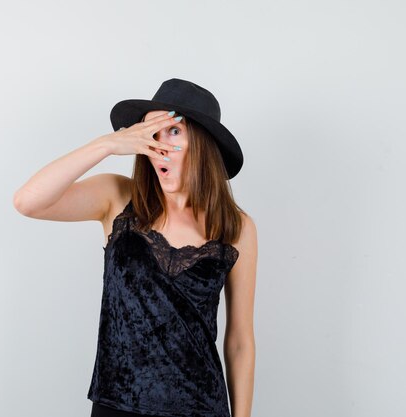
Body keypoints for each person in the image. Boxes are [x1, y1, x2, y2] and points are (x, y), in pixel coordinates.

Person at [13, 78, 257, 417]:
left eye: (172, 131)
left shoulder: (236, 226)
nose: (159, 144)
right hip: (117, 405)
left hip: (201, 407)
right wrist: (108, 144)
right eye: (151, 132)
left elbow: (240, 341)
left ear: (202, 143)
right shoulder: (117, 198)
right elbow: (28, 202)